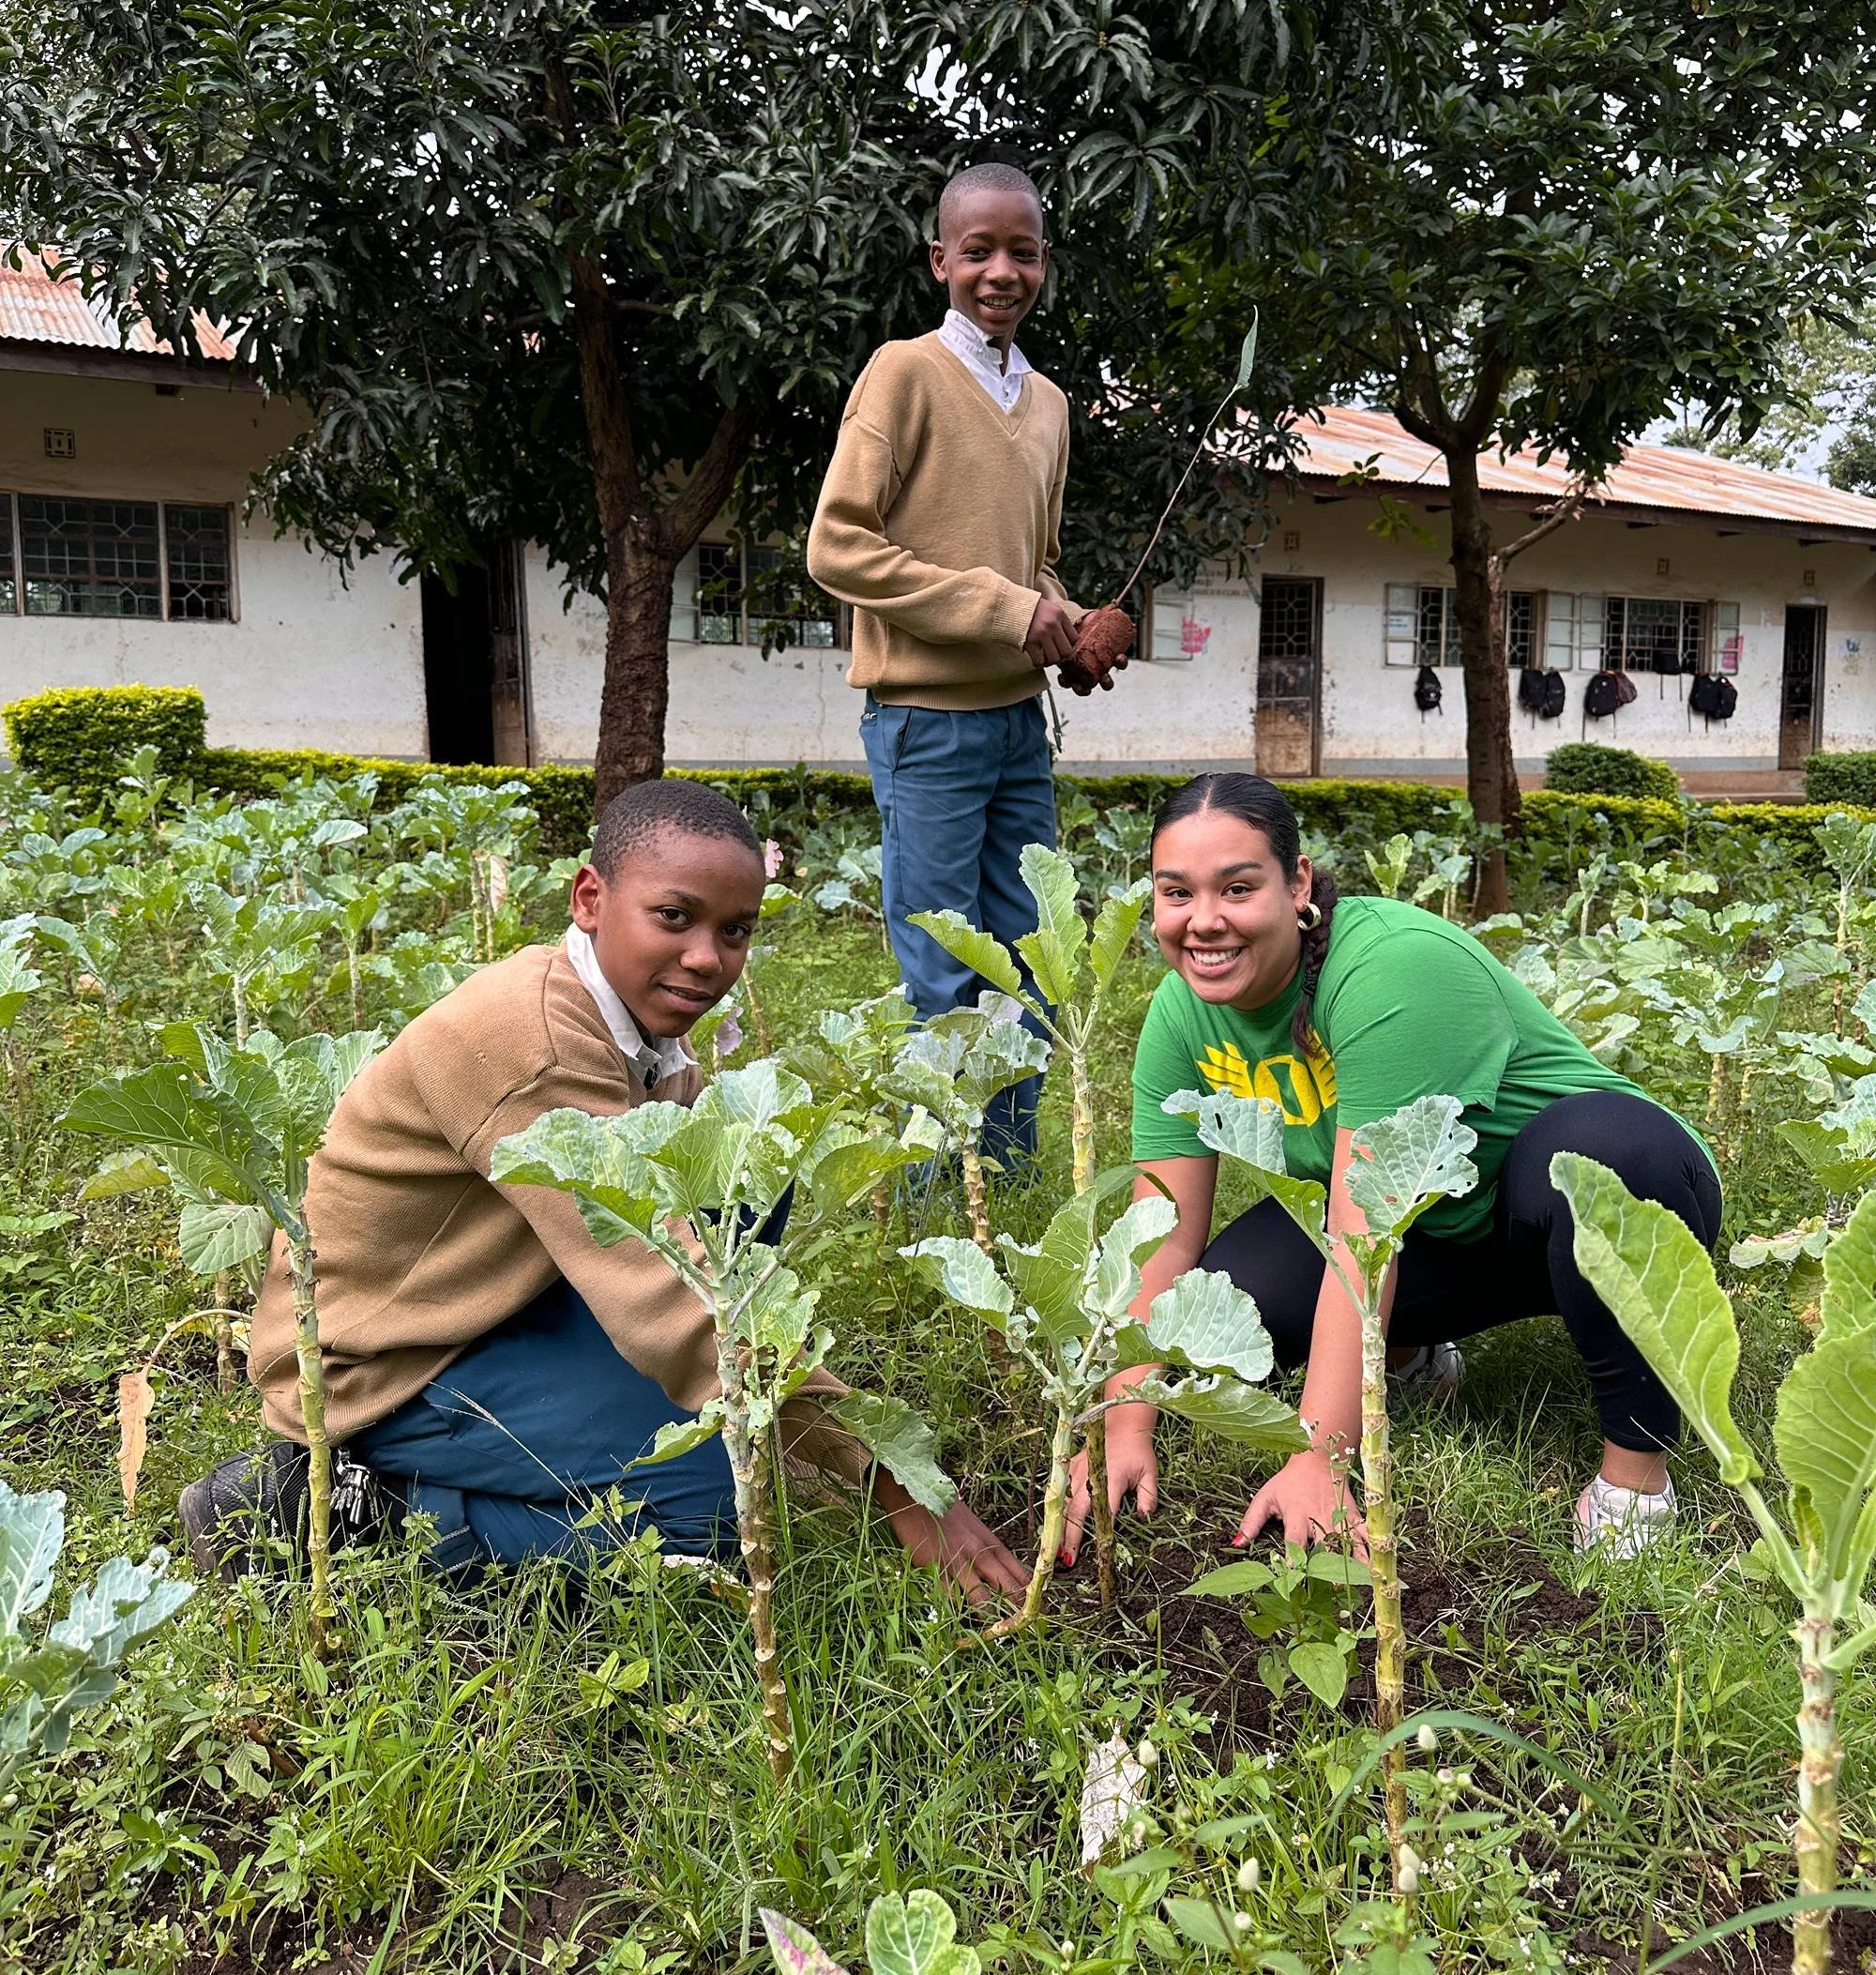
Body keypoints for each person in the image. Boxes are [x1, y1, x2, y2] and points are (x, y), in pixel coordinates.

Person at [179, 779, 1026, 1603]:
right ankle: (345, 1505)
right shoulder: (538, 1045)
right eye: (674, 917)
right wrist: (892, 1478)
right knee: (715, 1503)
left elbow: (687, 1252)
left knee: (745, 1182)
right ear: (590, 897)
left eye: (736, 930)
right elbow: (671, 1297)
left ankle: (609, 1418)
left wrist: (800, 1416)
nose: (706, 958)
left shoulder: (617, 1011)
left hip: (492, 1302)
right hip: (378, 1366)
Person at [1062, 772, 1722, 1566]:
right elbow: (1162, 1236)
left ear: (1297, 882)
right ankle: (1409, 1358)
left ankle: (1634, 1487)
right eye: (1178, 894)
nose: (1205, 922)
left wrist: (1321, 1456)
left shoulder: (1389, 972)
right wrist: (1124, 1424)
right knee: (1233, 1301)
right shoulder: (1180, 1015)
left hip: (1580, 1204)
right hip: (1430, 1228)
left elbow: (1360, 1230)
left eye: (1238, 887)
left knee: (1605, 1159)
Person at [807, 160, 1094, 1164]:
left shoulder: (1049, 403)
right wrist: (1014, 610)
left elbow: (1033, 563)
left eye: (1021, 251)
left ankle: (1003, 1172)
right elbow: (836, 546)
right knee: (941, 962)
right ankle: (946, 1181)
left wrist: (1068, 622)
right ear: (940, 260)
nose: (999, 271)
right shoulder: (903, 372)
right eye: (977, 250)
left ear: (1044, 264)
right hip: (923, 721)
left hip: (1017, 724)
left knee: (1026, 956)